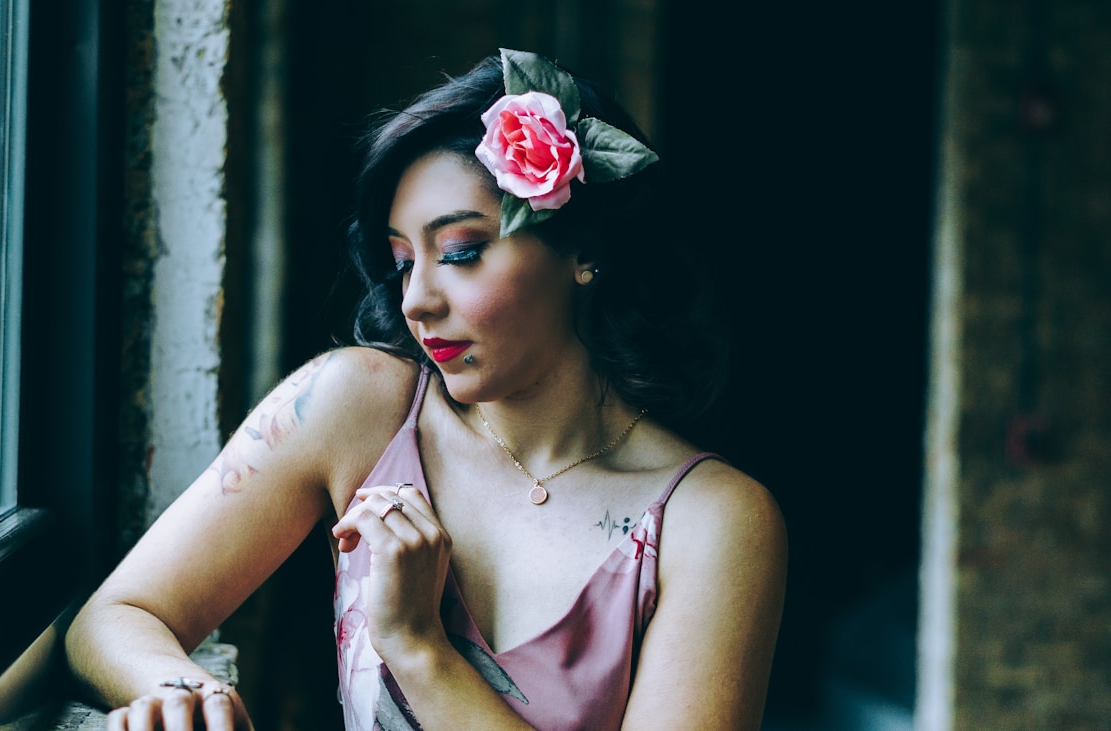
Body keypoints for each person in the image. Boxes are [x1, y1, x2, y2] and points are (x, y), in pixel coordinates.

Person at [65, 49, 787, 730]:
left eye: (461, 253)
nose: (416, 301)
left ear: (586, 251)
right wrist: (182, 690)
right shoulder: (358, 408)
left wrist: (419, 647)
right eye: (403, 261)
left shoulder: (713, 522)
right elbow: (117, 614)